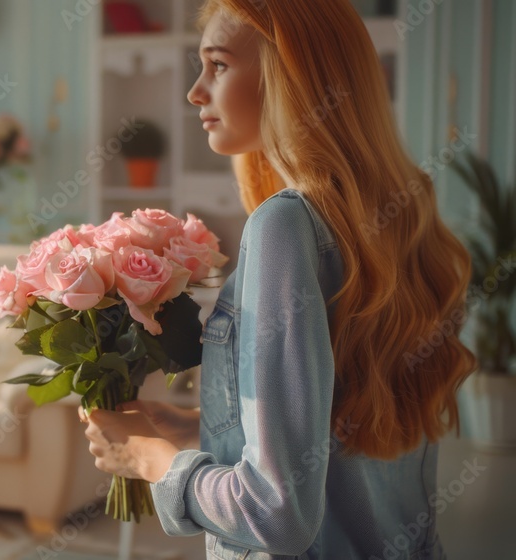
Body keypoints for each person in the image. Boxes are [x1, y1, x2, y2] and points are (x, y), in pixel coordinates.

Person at [80, 1, 475, 558]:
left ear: (291, 74)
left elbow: (277, 516)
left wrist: (151, 460)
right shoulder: (401, 218)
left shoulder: (284, 226)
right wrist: (203, 425)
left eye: (217, 65)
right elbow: (336, 437)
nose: (196, 92)